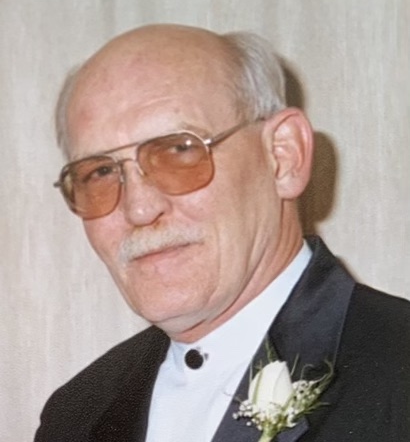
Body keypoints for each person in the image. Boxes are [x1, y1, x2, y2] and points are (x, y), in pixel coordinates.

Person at [35, 24, 410, 442]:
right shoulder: (76, 415)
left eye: (179, 150)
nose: (139, 209)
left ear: (283, 157)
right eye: (100, 172)